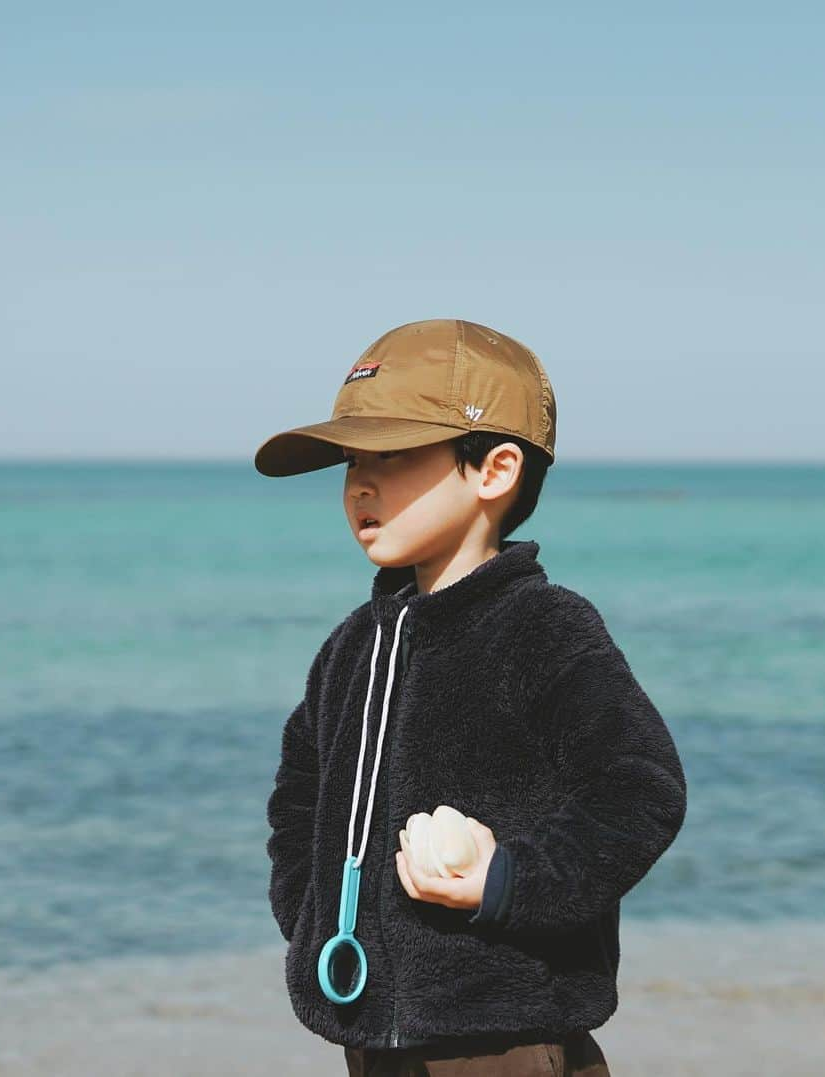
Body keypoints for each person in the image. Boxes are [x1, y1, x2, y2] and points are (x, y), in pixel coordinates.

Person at [256, 319, 688, 1076]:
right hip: (369, 1032)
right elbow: (298, 799)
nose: (360, 482)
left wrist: (510, 881)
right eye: (353, 458)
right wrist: (311, 916)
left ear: (494, 470)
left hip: (505, 1036)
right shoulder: (351, 646)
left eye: (391, 455)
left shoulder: (544, 628)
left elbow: (639, 787)